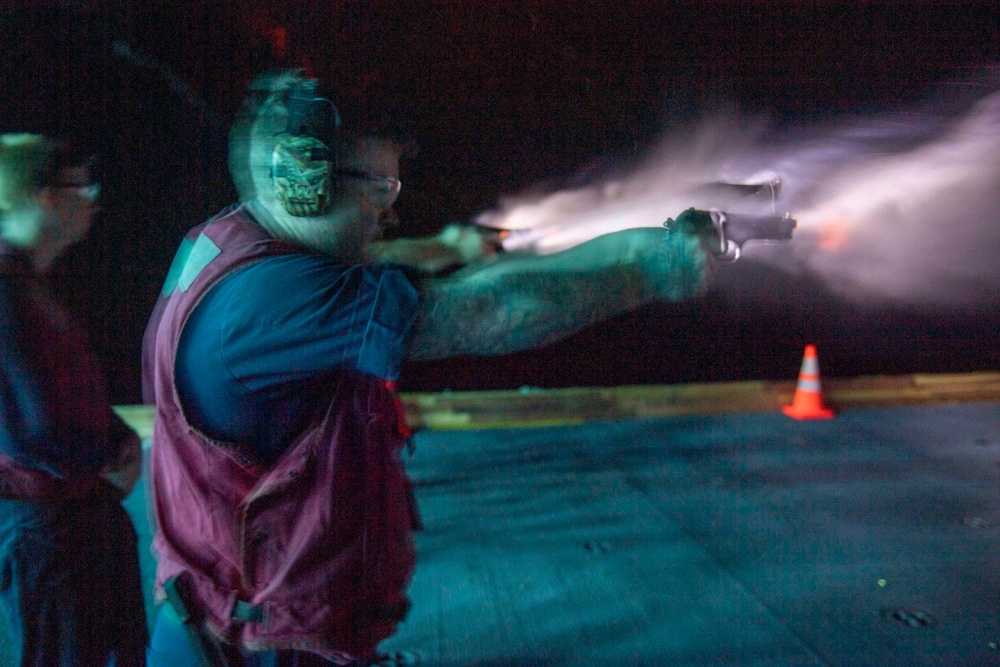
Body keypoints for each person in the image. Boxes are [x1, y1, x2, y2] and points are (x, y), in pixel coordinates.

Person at [142, 70, 716, 666]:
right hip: (258, 651)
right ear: (306, 180)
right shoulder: (273, 302)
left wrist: (449, 248)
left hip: (232, 626)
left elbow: (363, 265)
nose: (389, 215)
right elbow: (489, 311)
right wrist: (652, 272)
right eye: (381, 190)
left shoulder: (231, 243)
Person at [0, 133, 147, 666]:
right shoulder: (7, 291)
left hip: (70, 523)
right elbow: (27, 429)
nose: (93, 202)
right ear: (43, 196)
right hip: (51, 530)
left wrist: (117, 436)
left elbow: (64, 396)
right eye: (82, 189)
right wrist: (104, 461)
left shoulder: (31, 283)